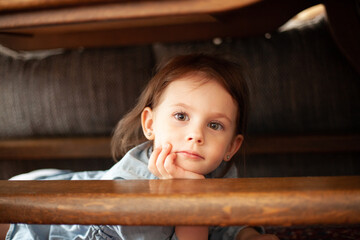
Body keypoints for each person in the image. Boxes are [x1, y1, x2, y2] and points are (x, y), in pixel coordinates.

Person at [4, 54, 278, 240]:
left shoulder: (219, 168)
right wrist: (190, 191)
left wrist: (248, 235)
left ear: (231, 146)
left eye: (215, 125)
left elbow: (223, 221)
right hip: (50, 201)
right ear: (150, 125)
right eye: (181, 117)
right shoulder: (134, 187)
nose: (196, 135)